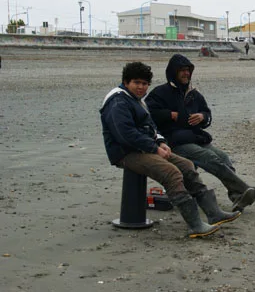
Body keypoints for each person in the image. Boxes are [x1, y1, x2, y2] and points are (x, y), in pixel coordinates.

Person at [100, 62, 241, 238]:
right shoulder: (118, 101)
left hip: (144, 149)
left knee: (187, 165)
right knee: (171, 173)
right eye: (136, 83)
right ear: (126, 82)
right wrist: (154, 148)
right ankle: (195, 224)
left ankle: (213, 213)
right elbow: (125, 134)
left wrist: (161, 142)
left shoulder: (136, 100)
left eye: (144, 84)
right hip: (125, 153)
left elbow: (151, 125)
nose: (141, 87)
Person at [146, 54, 255, 212]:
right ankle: (244, 190)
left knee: (223, 157)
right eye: (182, 70)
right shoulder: (160, 93)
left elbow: (207, 113)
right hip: (174, 142)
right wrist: (171, 115)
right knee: (210, 158)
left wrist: (202, 116)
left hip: (195, 137)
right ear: (173, 72)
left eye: (188, 70)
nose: (186, 73)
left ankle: (237, 197)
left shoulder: (193, 94)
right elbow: (148, 114)